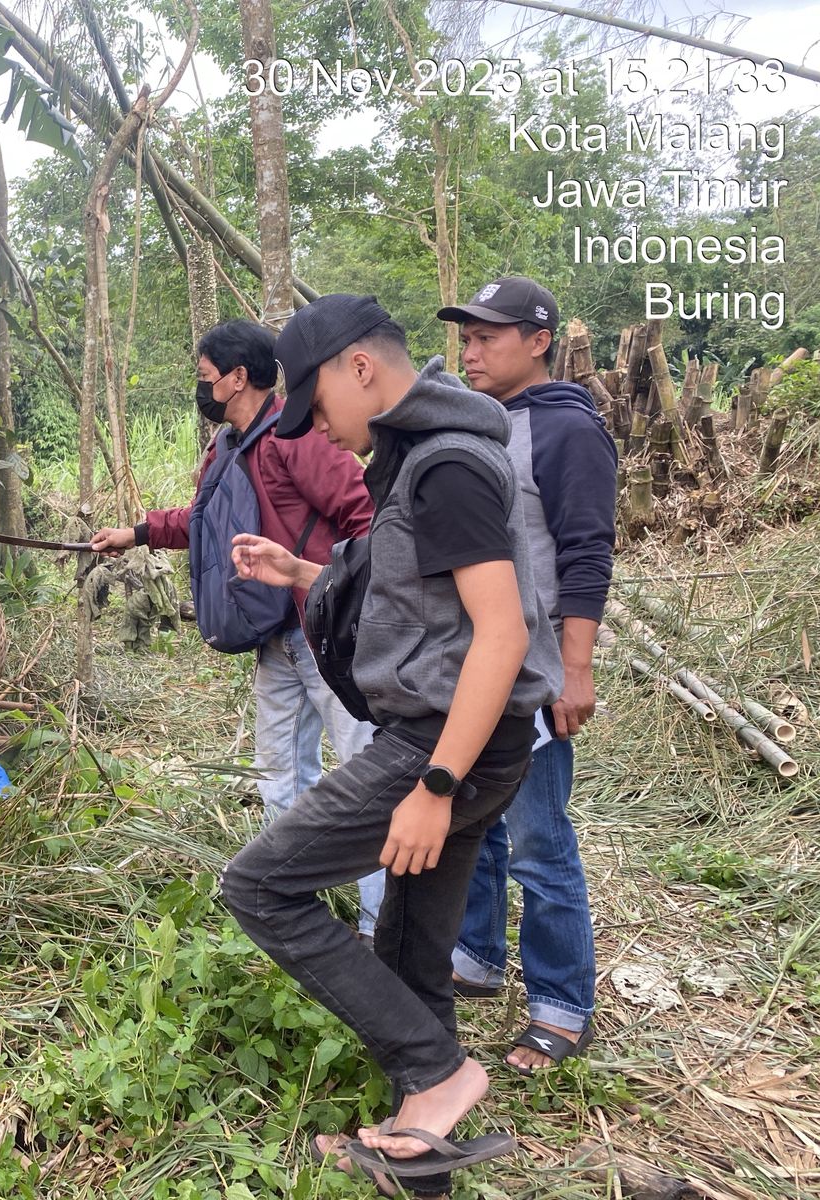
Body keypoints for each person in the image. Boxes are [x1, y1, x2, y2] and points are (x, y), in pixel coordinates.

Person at [219, 295, 562, 1198]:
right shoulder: (418, 456)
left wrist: (436, 785)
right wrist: (303, 572)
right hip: (466, 741)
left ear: (360, 368)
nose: (321, 430)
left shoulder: (447, 464)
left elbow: (500, 633)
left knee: (259, 886)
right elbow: (424, 593)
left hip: (444, 744)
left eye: (318, 404)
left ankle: (440, 1072)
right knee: (411, 953)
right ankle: (422, 1157)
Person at [89, 320, 383, 932]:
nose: (201, 389)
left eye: (205, 377)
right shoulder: (226, 447)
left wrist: (345, 593)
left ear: (238, 377)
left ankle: (381, 925)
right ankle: (293, 906)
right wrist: (136, 533)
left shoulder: (298, 438)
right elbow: (201, 519)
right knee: (278, 773)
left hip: (326, 633)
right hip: (273, 637)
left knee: (365, 774)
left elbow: (366, 516)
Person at [437, 277, 616, 1073]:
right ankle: (476, 957)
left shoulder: (567, 429)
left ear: (540, 341)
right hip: (471, 664)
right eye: (467, 337)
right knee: (471, 821)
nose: (471, 351)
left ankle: (562, 1004)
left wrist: (575, 668)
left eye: (489, 337)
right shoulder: (476, 423)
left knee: (539, 837)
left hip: (535, 671)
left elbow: (585, 551)